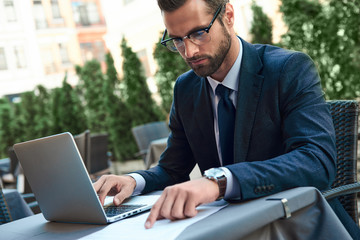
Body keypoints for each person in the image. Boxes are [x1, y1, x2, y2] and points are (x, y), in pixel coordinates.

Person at [94, 0, 360, 237]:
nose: (189, 52)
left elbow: (316, 162)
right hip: (229, 227)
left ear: (228, 16)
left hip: (295, 225)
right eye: (177, 39)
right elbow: (172, 169)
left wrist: (219, 182)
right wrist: (134, 181)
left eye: (198, 33)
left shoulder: (288, 69)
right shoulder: (185, 89)